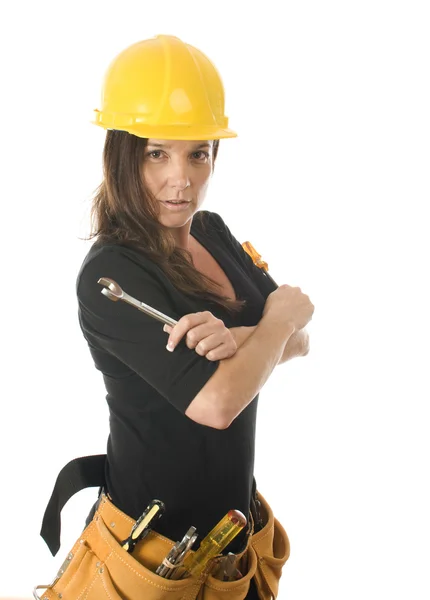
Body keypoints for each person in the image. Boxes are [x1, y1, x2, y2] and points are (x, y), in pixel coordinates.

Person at [38, 34, 314, 600]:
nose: (181, 179)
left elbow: (300, 341)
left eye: (198, 153)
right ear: (120, 153)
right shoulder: (111, 275)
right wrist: (277, 319)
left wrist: (241, 336)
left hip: (232, 546)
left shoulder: (212, 232)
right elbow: (216, 403)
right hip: (146, 555)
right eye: (156, 153)